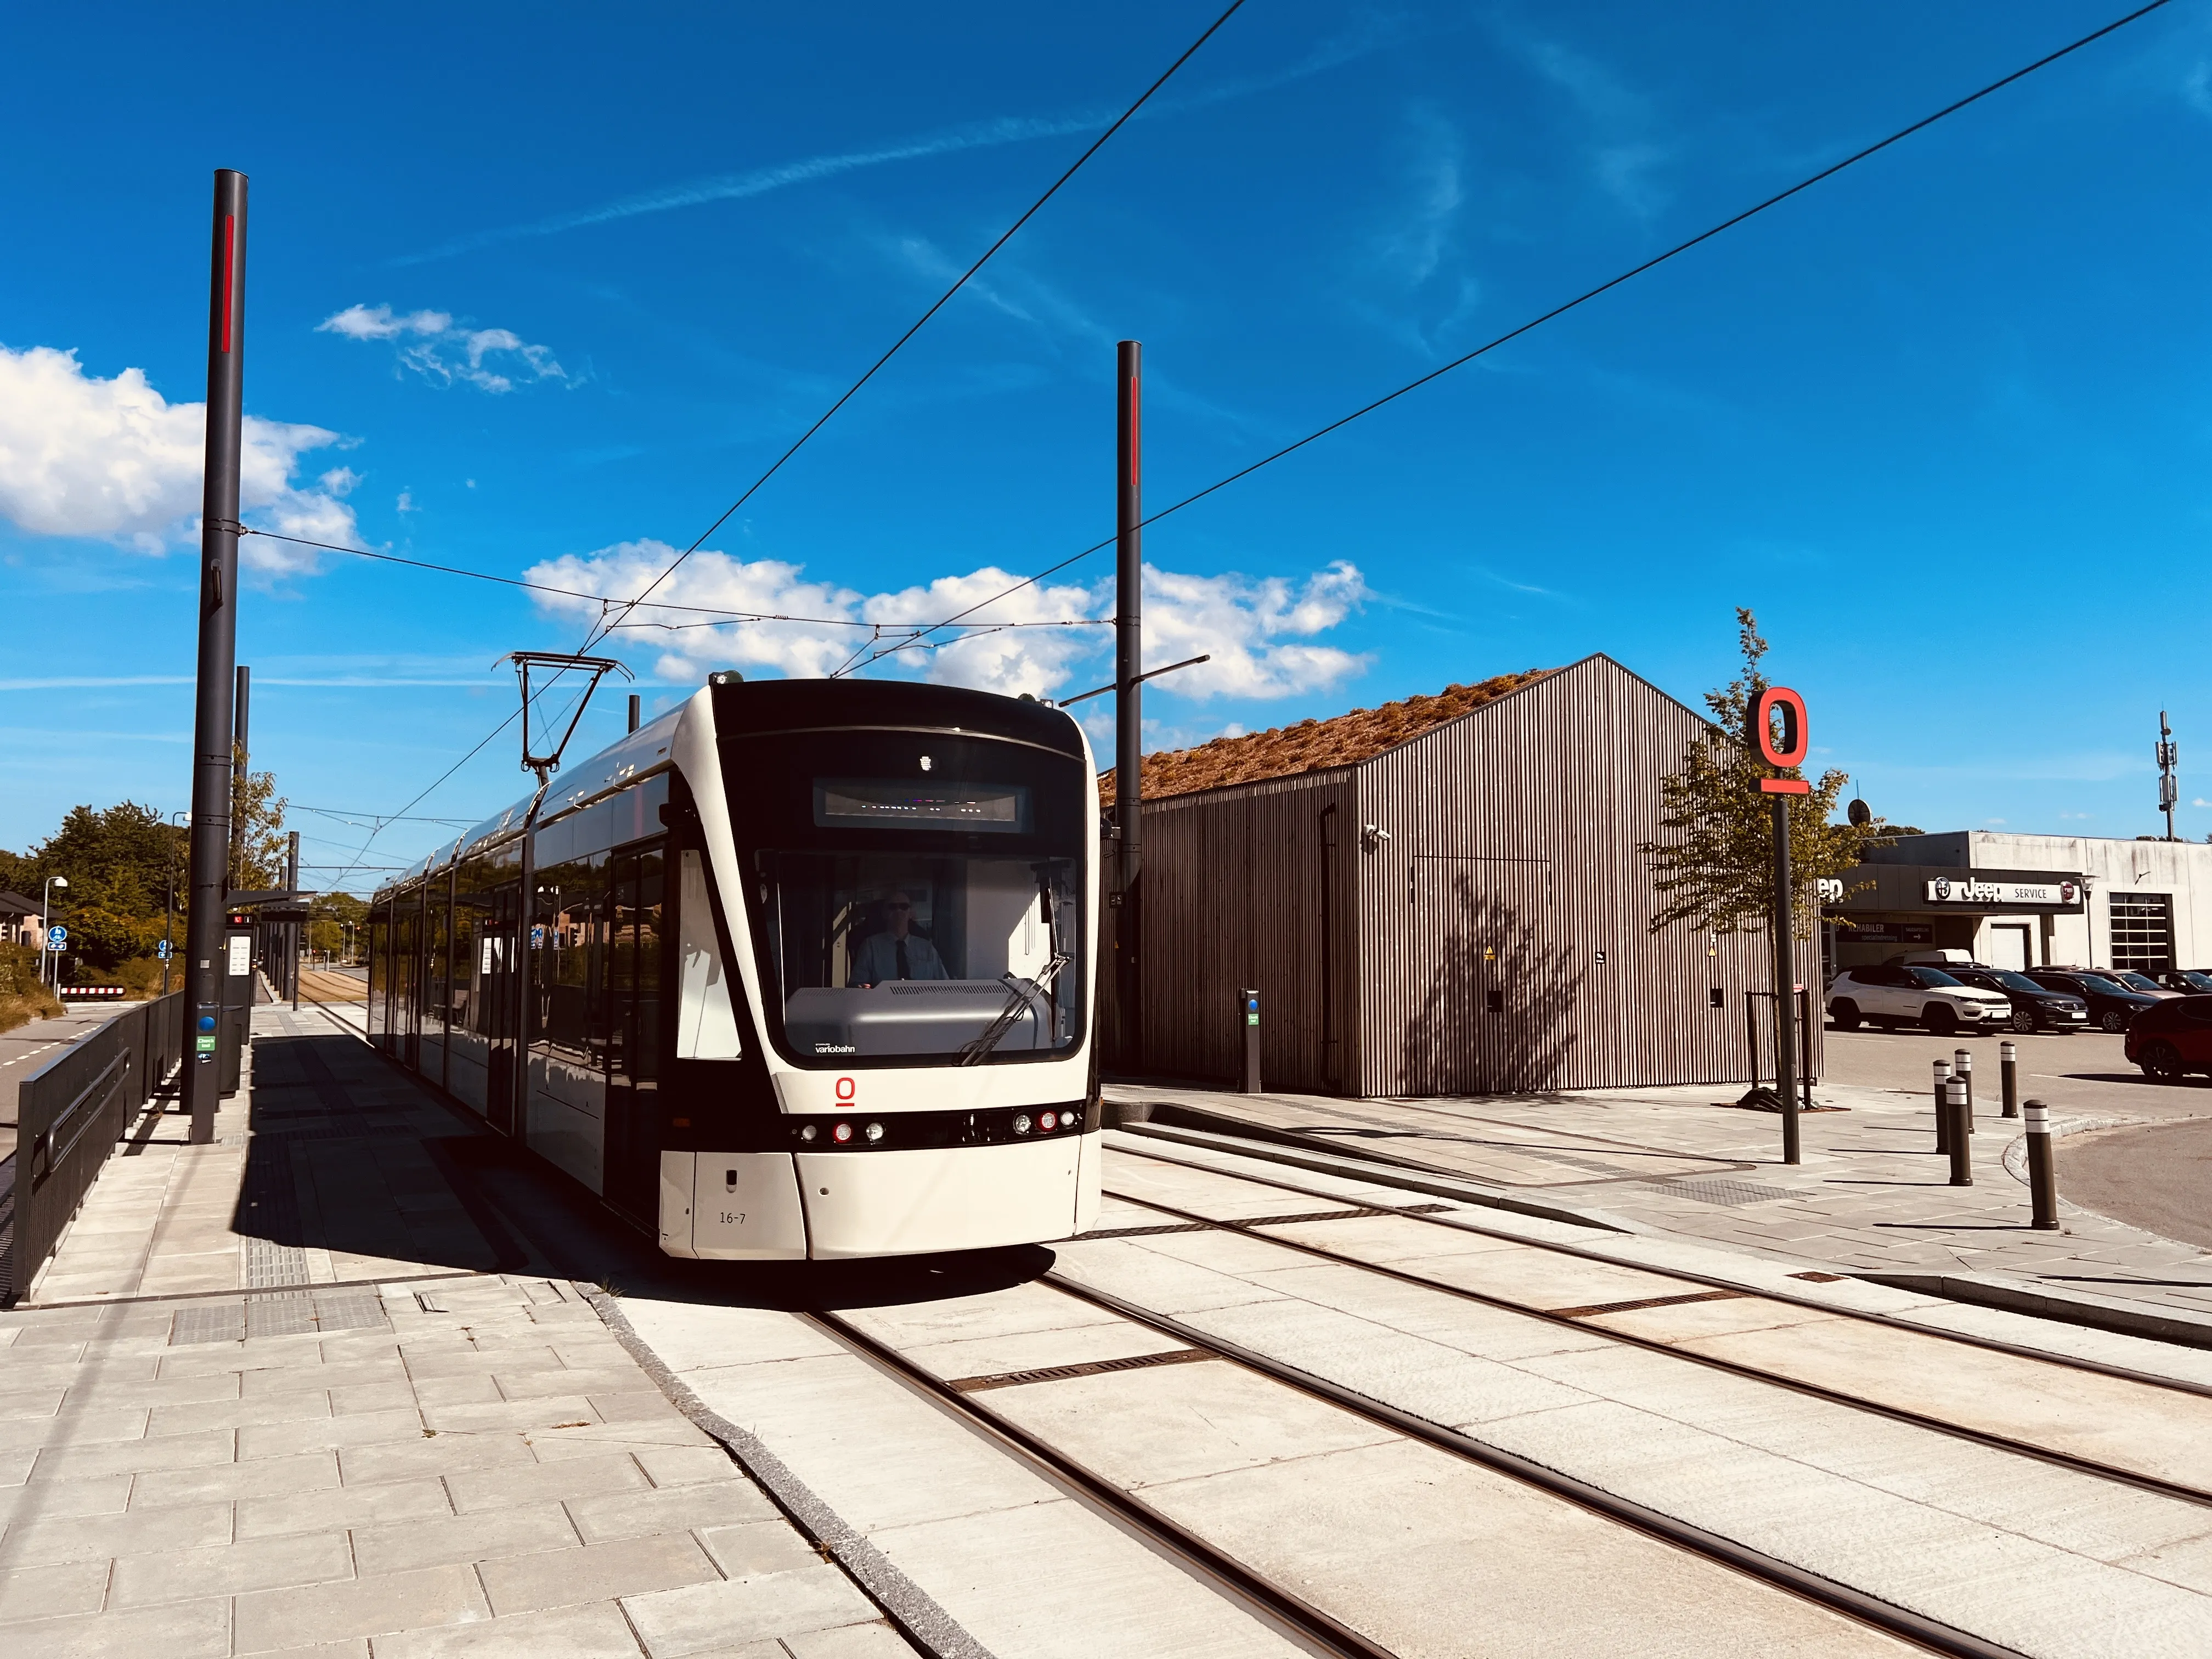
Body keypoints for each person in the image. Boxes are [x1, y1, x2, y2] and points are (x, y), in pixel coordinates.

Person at [848, 891, 948, 985]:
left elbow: (945, 986)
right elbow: (858, 986)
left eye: (904, 907)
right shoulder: (870, 947)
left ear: (911, 913)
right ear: (884, 913)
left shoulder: (927, 948)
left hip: (922, 1002)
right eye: (893, 907)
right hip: (883, 1002)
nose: (898, 911)